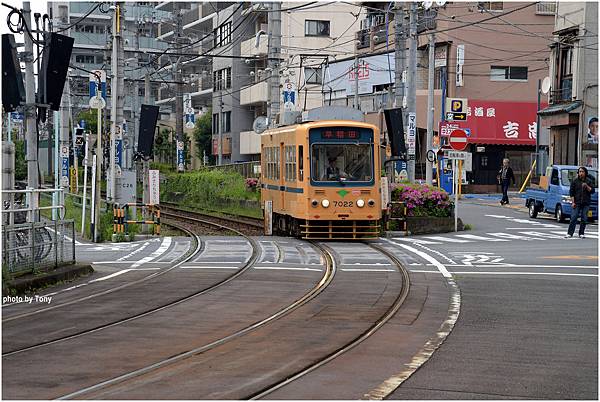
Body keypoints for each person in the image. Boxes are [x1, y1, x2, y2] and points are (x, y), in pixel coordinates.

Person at [565, 166, 595, 238]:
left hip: (586, 202)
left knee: (584, 218)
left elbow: (592, 191)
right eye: (580, 172)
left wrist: (587, 186)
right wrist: (573, 202)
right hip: (577, 202)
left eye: (582, 172)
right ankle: (570, 233)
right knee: (574, 217)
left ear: (585, 173)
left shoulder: (589, 181)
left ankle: (581, 233)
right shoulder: (575, 181)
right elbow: (571, 192)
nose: (581, 173)